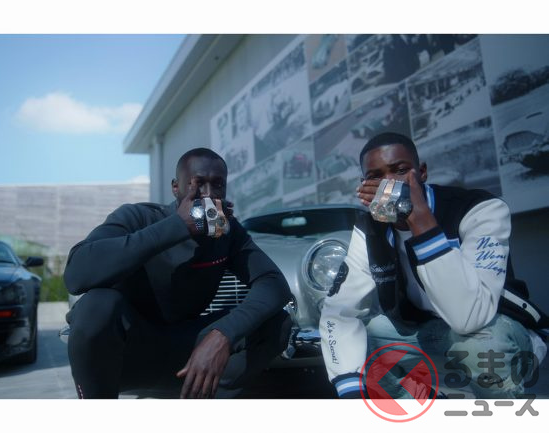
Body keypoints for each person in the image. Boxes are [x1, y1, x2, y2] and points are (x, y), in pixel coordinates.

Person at [319, 132, 548, 399]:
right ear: (364, 186)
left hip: (496, 329)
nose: (388, 184)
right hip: (429, 328)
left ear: (422, 172)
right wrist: (350, 390)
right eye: (376, 177)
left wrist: (421, 222)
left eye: (400, 170)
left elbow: (470, 318)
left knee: (480, 347)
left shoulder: (480, 209)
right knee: (361, 344)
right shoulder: (369, 228)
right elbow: (340, 311)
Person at [64, 147, 292, 399]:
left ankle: (198, 398)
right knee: (96, 305)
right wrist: (177, 226)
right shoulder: (139, 216)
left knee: (277, 323)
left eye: (218, 185)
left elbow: (273, 283)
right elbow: (76, 274)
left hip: (188, 354)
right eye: (199, 184)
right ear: (176, 187)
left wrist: (223, 334)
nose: (209, 194)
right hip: (127, 353)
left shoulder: (225, 230)